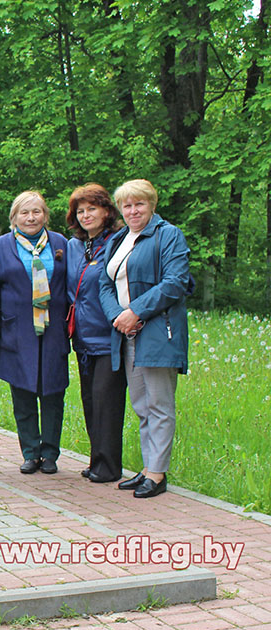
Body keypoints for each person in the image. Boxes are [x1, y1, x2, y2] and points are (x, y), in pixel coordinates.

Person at [100, 179, 190, 498]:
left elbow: (175, 281)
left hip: (157, 332)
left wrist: (135, 311)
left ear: (152, 204)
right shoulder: (120, 239)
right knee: (141, 404)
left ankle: (158, 473)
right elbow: (104, 284)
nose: (133, 210)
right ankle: (149, 467)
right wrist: (118, 317)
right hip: (126, 332)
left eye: (139, 204)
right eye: (127, 205)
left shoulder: (168, 235)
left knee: (160, 404)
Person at [0, 191, 69, 475]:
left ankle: (50, 454)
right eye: (24, 212)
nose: (31, 217)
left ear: (45, 215)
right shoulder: (0, 246)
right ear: (14, 217)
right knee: (22, 391)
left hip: (52, 329)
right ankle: (30, 452)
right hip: (16, 329)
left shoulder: (61, 244)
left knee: (52, 392)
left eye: (36, 212)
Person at [65, 184, 126, 483]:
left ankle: (109, 465)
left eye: (92, 208)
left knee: (107, 400)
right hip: (82, 337)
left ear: (106, 211)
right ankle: (96, 459)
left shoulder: (118, 241)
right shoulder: (74, 246)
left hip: (109, 335)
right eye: (81, 210)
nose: (86, 215)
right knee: (90, 399)